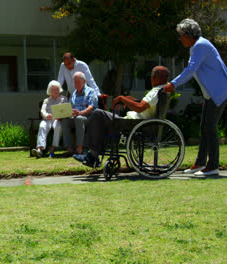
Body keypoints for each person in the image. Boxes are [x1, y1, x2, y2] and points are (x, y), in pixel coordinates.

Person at [162, 18, 227, 176]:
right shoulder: (197, 46)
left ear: (188, 34)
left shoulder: (200, 46)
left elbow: (190, 70)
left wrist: (173, 84)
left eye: (181, 35)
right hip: (212, 94)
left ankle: (212, 166)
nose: (180, 38)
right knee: (204, 128)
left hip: (218, 92)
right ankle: (200, 163)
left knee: (209, 128)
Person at [74, 66, 170, 167]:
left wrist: (122, 98)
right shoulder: (163, 89)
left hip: (133, 123)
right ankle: (93, 155)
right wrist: (130, 100)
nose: (150, 79)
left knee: (97, 114)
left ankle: (92, 155)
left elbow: (140, 107)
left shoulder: (156, 91)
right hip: (137, 122)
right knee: (100, 120)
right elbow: (144, 104)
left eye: (152, 77)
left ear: (156, 79)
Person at [61, 72, 98, 156]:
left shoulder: (91, 92)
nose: (76, 84)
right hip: (74, 117)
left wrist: (80, 113)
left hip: (88, 118)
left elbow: (91, 107)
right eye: (74, 82)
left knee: (79, 118)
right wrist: (66, 113)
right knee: (64, 121)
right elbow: (70, 107)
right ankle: (69, 149)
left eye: (78, 81)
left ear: (84, 81)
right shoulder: (73, 94)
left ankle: (79, 148)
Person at [31, 81, 67, 158]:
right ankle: (39, 150)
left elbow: (66, 110)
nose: (56, 91)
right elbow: (42, 111)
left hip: (58, 119)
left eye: (57, 89)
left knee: (58, 126)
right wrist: (46, 115)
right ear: (50, 91)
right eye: (54, 89)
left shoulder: (64, 99)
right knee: (42, 126)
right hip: (48, 119)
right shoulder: (46, 100)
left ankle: (52, 148)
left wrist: (61, 116)